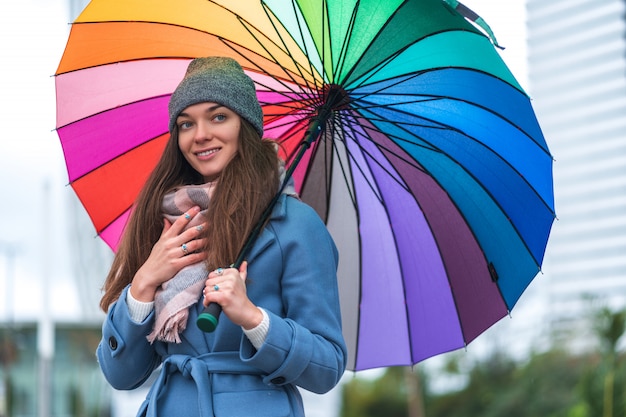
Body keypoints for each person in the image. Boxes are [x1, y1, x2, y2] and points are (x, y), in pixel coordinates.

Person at [96, 56, 347, 416]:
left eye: (218, 117)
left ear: (244, 125)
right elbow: (121, 375)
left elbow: (326, 367)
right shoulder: (164, 220)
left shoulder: (294, 225)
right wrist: (144, 283)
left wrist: (253, 318)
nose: (200, 135)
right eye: (186, 123)